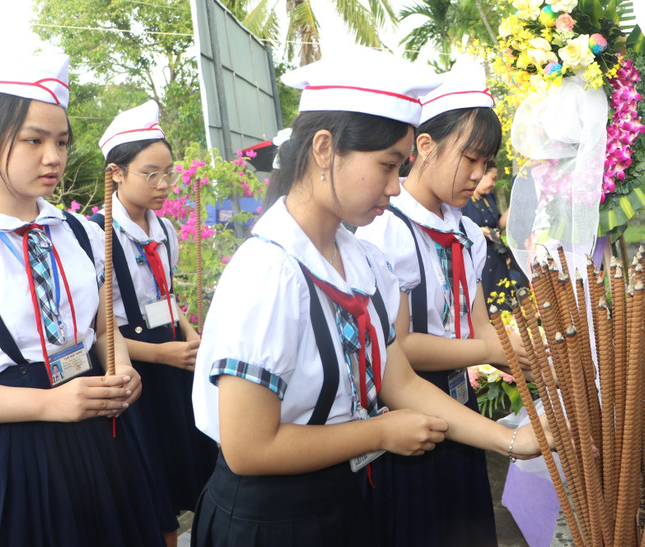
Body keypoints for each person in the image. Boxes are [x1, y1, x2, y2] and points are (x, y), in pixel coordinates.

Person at [191, 48, 550, 547]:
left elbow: (397, 378)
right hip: (271, 521)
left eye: (400, 167)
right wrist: (379, 433)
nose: (393, 186)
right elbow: (248, 447)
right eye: (386, 166)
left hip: (339, 499)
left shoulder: (357, 258)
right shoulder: (268, 272)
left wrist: (512, 440)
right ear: (324, 148)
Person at [0, 53, 164, 546]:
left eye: (60, 141)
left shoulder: (78, 231)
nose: (53, 157)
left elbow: (103, 323)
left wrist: (121, 367)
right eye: (33, 140)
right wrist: (49, 404)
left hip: (99, 432)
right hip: (15, 449)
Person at [355, 58, 533, 547]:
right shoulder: (387, 229)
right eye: (470, 159)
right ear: (425, 147)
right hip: (408, 408)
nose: (478, 176)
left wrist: (529, 356)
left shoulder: (467, 231)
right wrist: (494, 351)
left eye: (486, 163)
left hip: (461, 400)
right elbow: (403, 348)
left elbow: (479, 327)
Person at [92, 101, 218, 547]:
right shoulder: (95, 235)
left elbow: (166, 298)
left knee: (191, 461)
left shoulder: (164, 230)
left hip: (173, 362)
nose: (164, 185)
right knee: (151, 480)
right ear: (116, 174)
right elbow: (98, 331)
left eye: (168, 173)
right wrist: (162, 353)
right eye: (151, 174)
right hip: (133, 371)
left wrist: (187, 332)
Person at [461, 160, 527, 301]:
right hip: (478, 261)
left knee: (503, 301)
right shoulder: (463, 201)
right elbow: (458, 230)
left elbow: (498, 226)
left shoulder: (489, 198)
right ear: (481, 176)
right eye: (493, 178)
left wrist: (515, 203)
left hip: (497, 259)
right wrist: (479, 231)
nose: (494, 184)